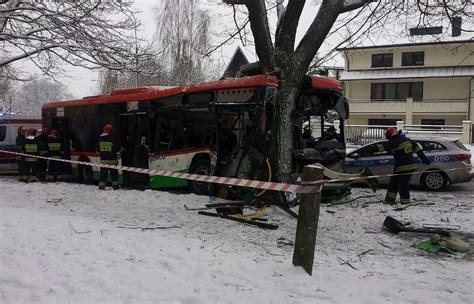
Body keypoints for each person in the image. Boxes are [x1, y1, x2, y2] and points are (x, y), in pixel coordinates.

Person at [375, 127, 431, 205]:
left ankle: (405, 203)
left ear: (390, 136)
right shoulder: (406, 139)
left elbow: (382, 147)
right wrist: (425, 160)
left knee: (402, 185)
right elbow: (418, 150)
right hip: (407, 167)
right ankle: (389, 200)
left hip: (402, 168)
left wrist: (370, 149)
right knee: (393, 182)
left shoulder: (394, 141)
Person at [97, 124, 121, 190]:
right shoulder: (113, 137)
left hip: (103, 160)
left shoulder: (100, 138)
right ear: (110, 130)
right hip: (112, 160)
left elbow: (97, 149)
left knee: (103, 174)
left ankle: (101, 186)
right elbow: (118, 148)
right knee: (114, 173)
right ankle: (115, 186)